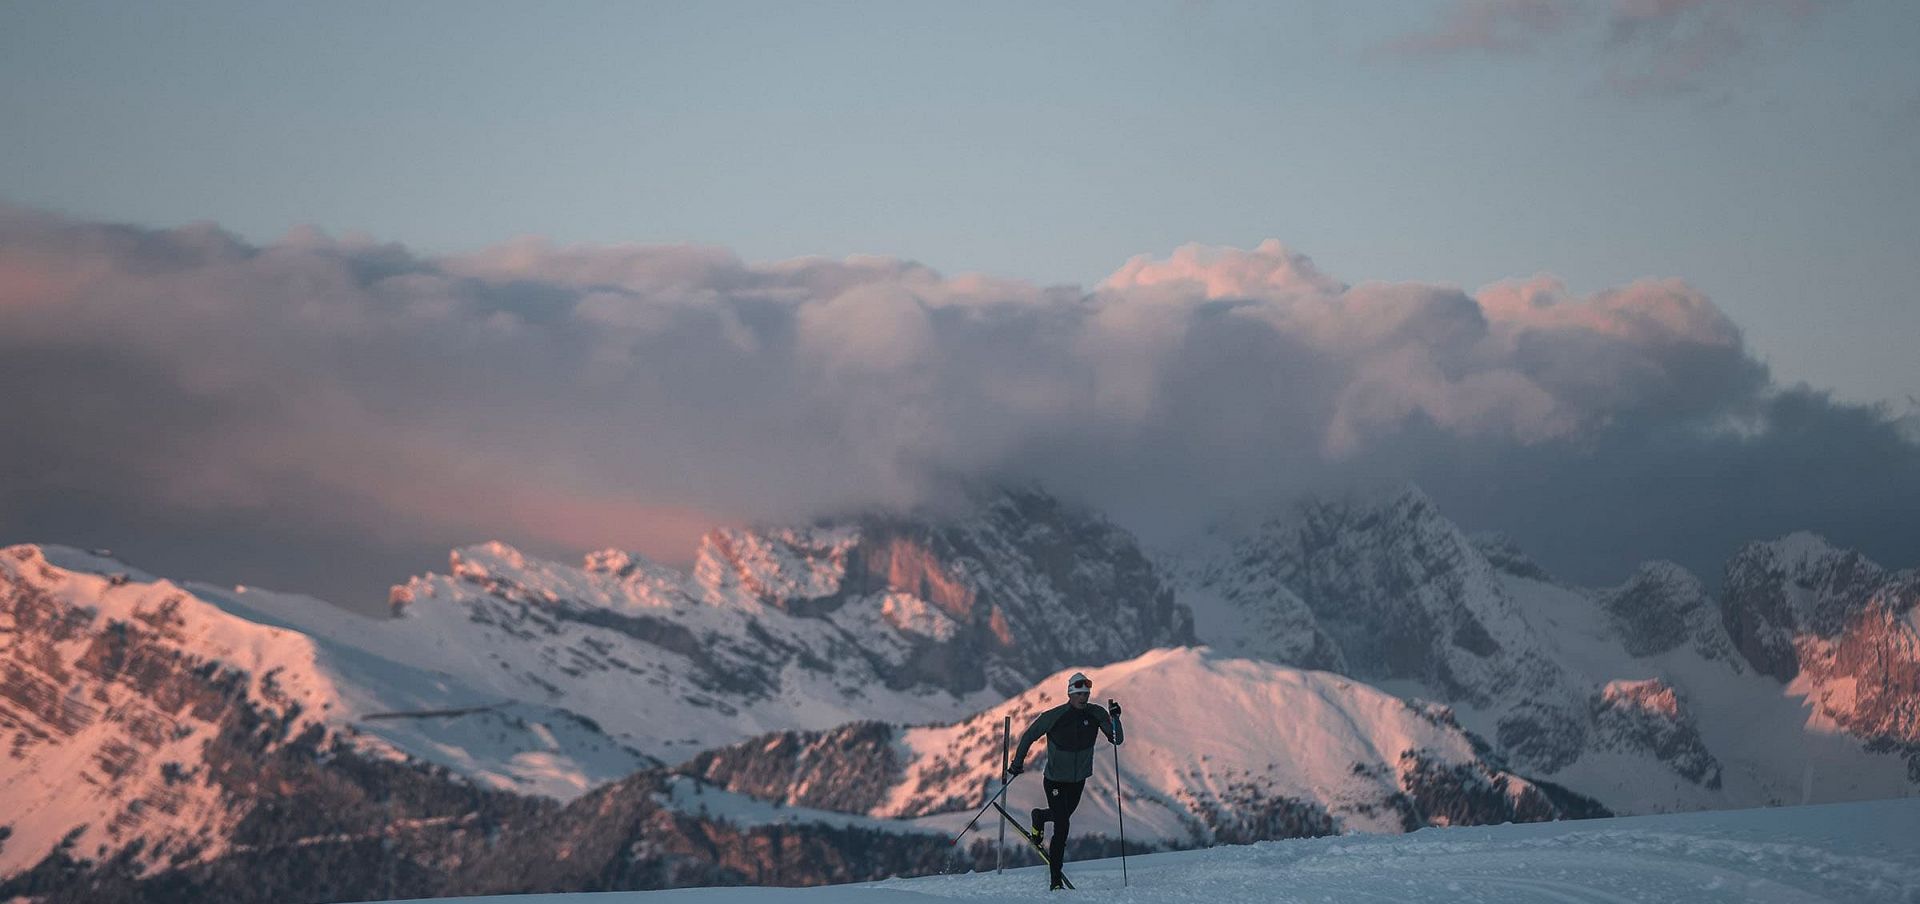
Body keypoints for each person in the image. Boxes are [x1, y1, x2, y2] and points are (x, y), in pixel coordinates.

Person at [1005, 671, 1122, 890]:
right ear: (1070, 693)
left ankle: (1039, 816)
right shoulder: (1055, 716)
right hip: (1055, 781)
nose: (1083, 697)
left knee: (1063, 815)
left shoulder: (1096, 713)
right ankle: (1055, 880)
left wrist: (1115, 718)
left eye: (1086, 693)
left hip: (1078, 781)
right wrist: (1017, 763)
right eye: (1079, 693)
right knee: (1063, 825)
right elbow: (1030, 736)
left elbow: (1117, 739)